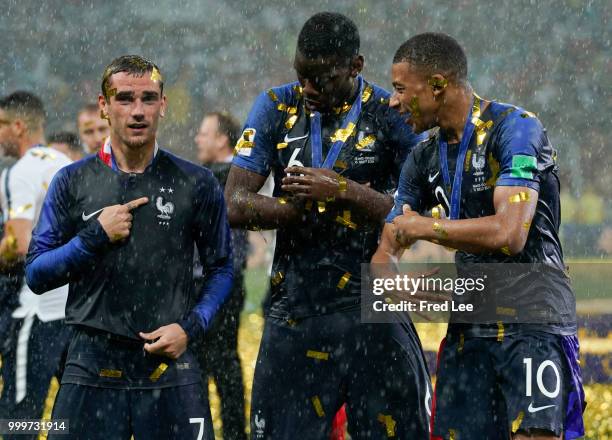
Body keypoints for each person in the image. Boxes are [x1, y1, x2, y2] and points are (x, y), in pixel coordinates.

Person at [225, 12, 431, 439]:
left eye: (322, 78)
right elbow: (234, 203)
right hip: (295, 306)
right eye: (302, 76)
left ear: (356, 66)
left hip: (372, 304)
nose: (309, 89)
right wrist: (300, 209)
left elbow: (422, 214)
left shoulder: (388, 113)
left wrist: (345, 191)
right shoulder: (276, 104)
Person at [374, 33, 585, 439]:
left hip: (534, 316)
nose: (392, 100)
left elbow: (511, 234)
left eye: (401, 88)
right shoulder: (422, 157)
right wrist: (402, 287)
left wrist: (427, 227)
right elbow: (385, 253)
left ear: (437, 85)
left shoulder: (517, 129)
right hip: (470, 320)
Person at [25, 55, 233, 440]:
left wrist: (189, 329)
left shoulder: (196, 182)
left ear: (164, 105)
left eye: (148, 99)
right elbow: (36, 273)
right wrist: (94, 238)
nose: (138, 111)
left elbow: (222, 268)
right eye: (124, 99)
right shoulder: (71, 181)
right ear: (104, 106)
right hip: (90, 364)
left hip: (170, 364)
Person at [0, 91, 73, 437]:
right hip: (73, 311)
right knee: (76, 412)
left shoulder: (21, 172)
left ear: (17, 126)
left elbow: (20, 244)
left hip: (36, 311)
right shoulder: (65, 165)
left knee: (19, 415)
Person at [193, 110, 248, 440]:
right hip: (218, 278)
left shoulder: (228, 177)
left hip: (218, 279)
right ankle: (226, 431)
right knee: (215, 359)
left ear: (222, 139)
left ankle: (218, 431)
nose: (198, 139)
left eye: (204, 133)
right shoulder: (219, 176)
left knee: (215, 360)